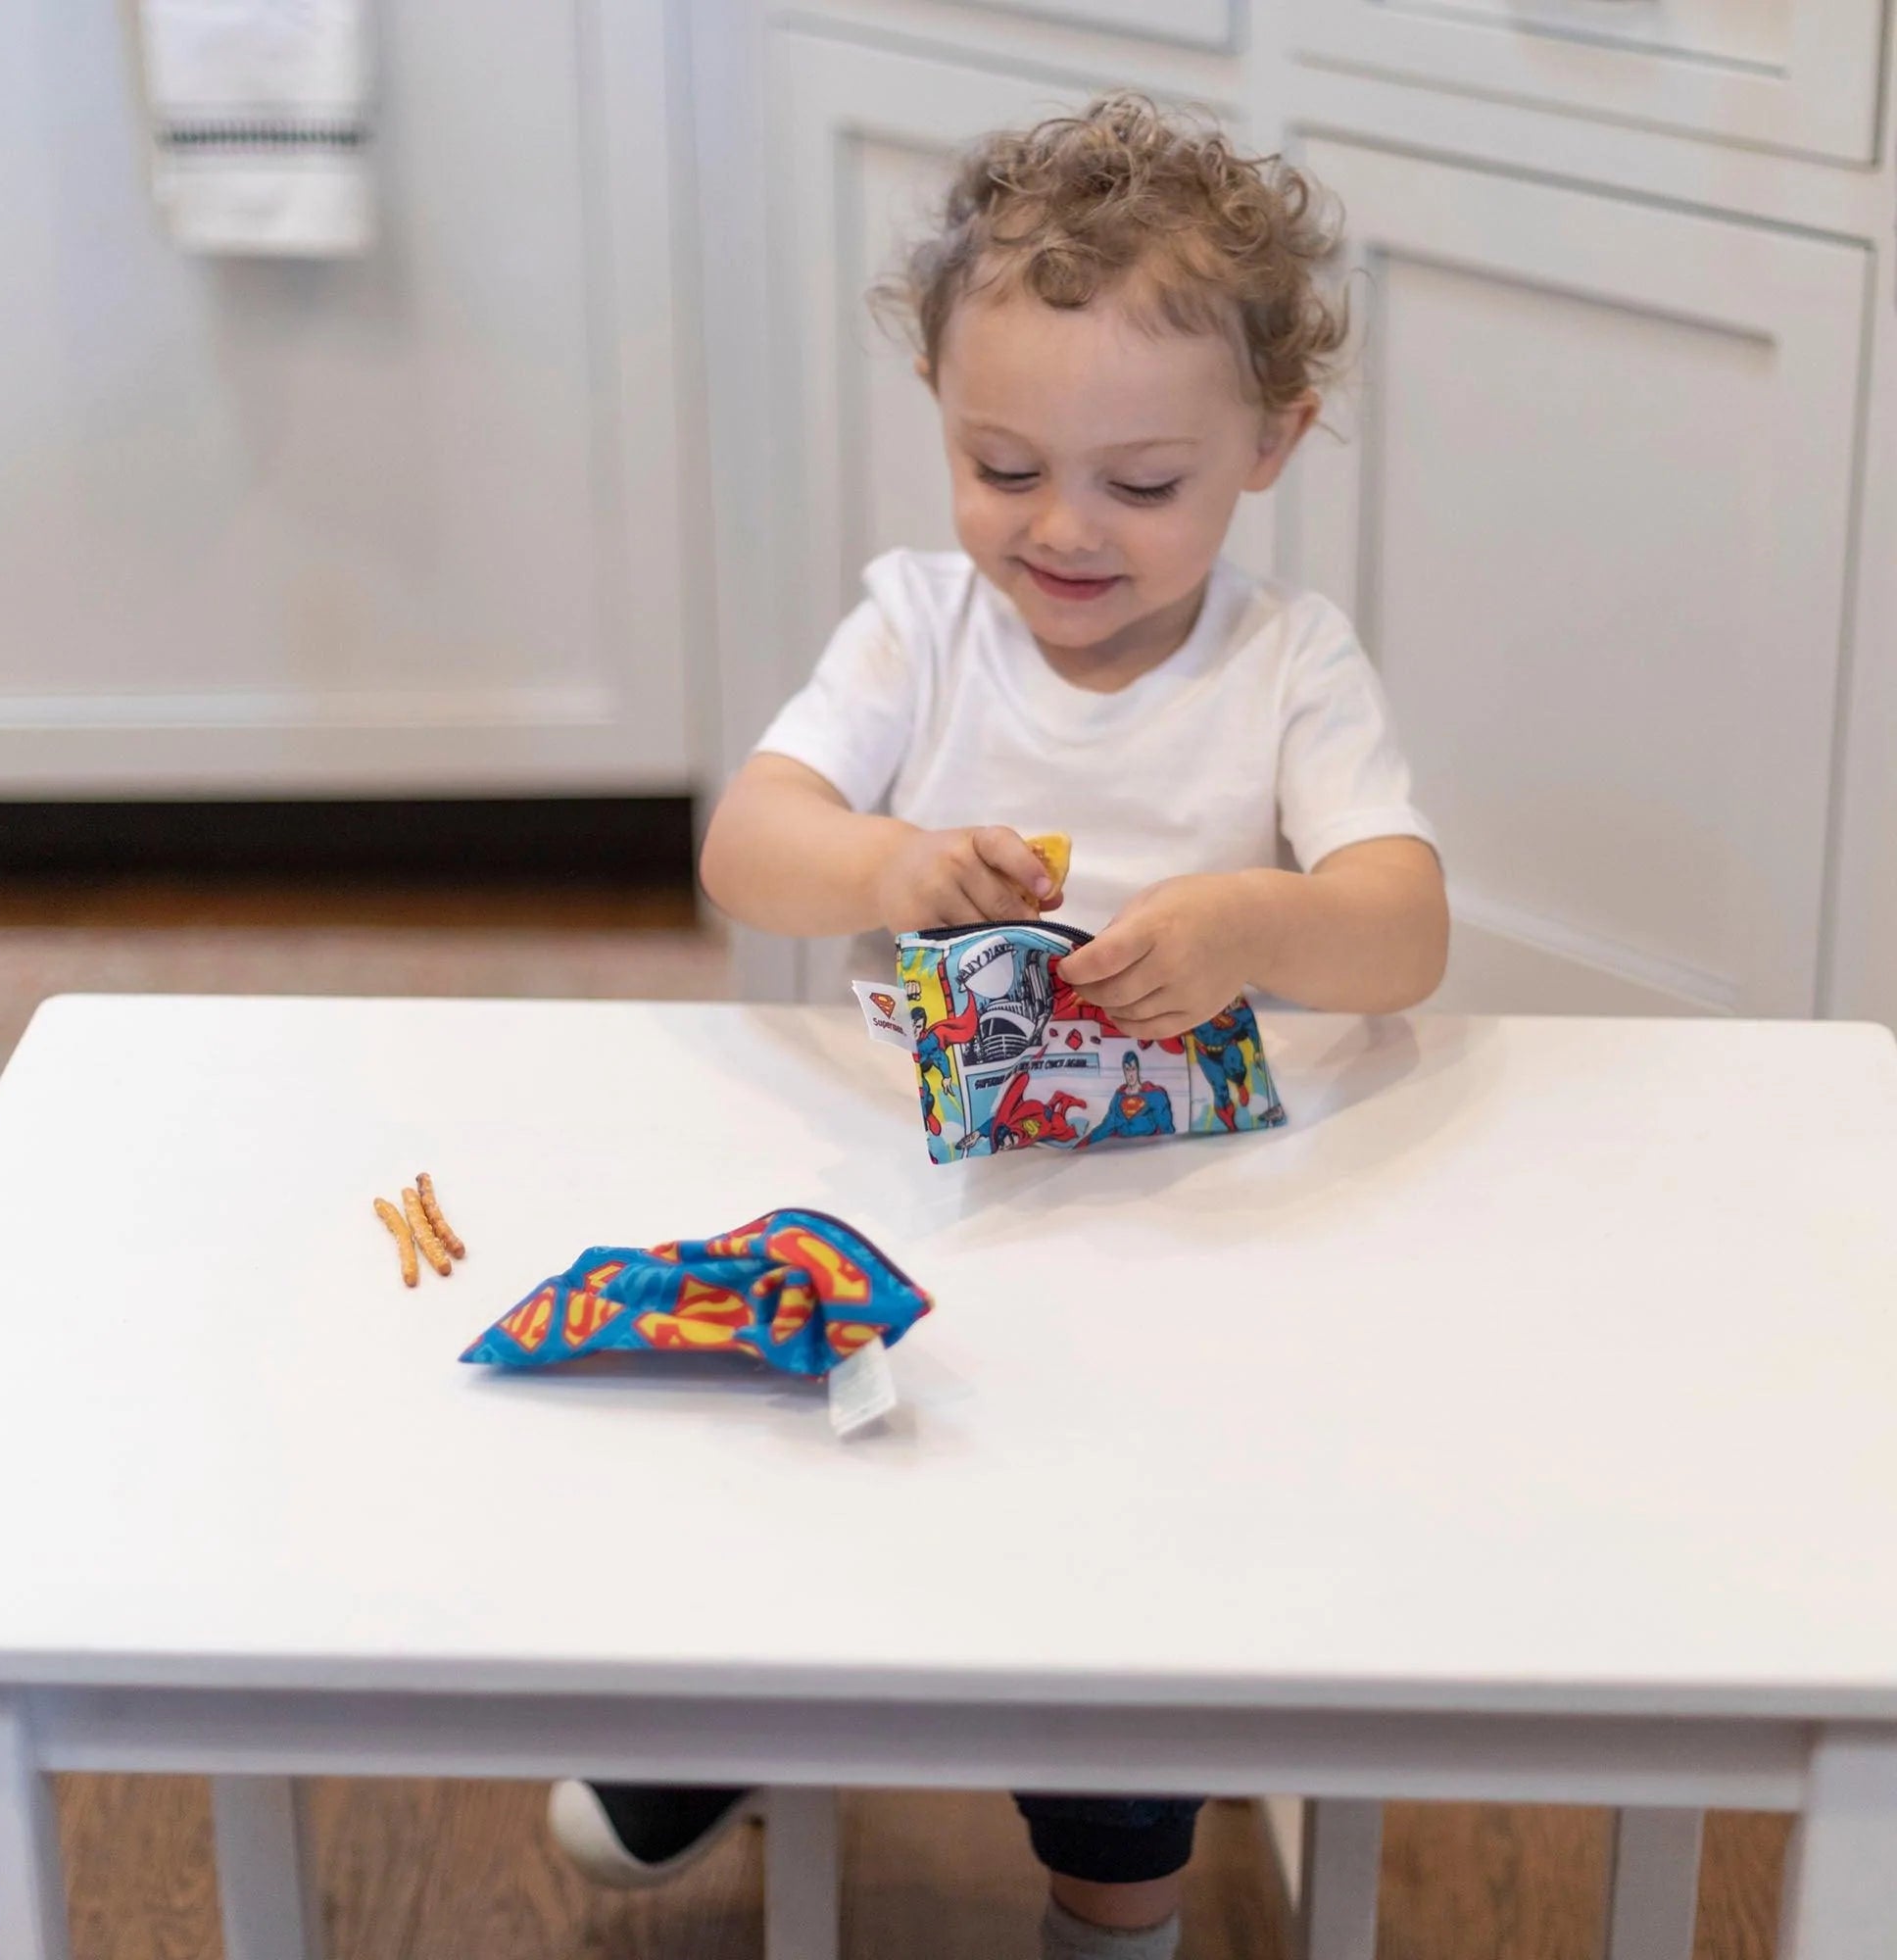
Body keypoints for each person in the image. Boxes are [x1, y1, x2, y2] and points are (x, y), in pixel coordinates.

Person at [551, 92, 1447, 1960]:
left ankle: (1113, 1901)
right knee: (784, 1463)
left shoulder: (1290, 666)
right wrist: (881, 870)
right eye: (1001, 463)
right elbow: (748, 845)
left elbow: (1404, 932)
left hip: (1178, 1216)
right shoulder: (917, 627)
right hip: (905, 1175)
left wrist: (1253, 920)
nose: (1061, 530)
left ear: (1270, 445)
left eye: (1142, 484)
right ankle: (730, 1722)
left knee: (1124, 1562)